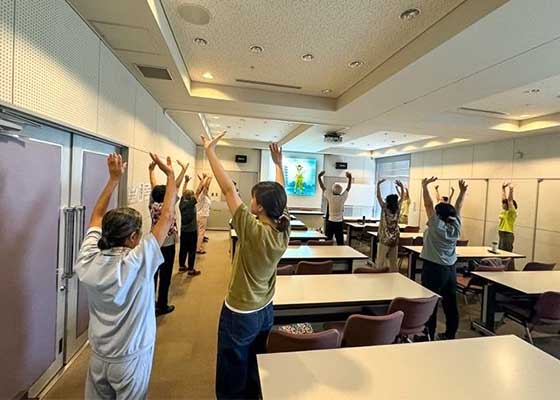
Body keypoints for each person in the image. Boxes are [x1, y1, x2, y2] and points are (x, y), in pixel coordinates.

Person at [75, 153, 177, 400]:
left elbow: (96, 216)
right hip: (131, 355)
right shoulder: (138, 262)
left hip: (99, 354)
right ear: (133, 238)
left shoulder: (88, 258)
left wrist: (112, 180)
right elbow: (167, 217)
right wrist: (172, 175)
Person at [203, 134, 290, 399]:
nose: (248, 201)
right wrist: (278, 163)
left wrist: (210, 153)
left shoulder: (252, 230)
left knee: (232, 369)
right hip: (265, 309)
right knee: (255, 361)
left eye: (252, 198)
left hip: (241, 311)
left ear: (260, 207)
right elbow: (280, 196)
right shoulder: (283, 229)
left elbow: (228, 190)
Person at [420, 176, 468, 341]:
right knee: (450, 304)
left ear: (438, 215)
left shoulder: (436, 226)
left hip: (433, 269)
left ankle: (429, 334)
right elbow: (459, 207)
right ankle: (450, 333)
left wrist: (424, 187)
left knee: (430, 303)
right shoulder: (456, 226)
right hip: (450, 270)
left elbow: (427, 204)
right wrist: (462, 192)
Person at [149, 159, 188, 316]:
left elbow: (154, 188)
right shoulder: (168, 206)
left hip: (153, 244)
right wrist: (181, 171)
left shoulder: (152, 205)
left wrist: (150, 171)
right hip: (168, 245)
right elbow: (175, 186)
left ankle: (149, 303)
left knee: (152, 275)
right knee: (165, 276)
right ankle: (162, 305)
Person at [376, 179, 405, 272]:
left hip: (385, 237)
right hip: (395, 237)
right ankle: (394, 276)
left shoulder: (384, 208)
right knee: (393, 261)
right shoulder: (398, 208)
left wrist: (378, 185)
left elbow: (378, 196)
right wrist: (402, 187)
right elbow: (403, 198)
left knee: (380, 260)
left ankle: (379, 275)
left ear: (387, 201)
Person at [318, 170, 352, 245]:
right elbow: (348, 188)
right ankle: (339, 255)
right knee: (340, 242)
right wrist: (350, 178)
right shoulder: (342, 198)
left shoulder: (330, 196)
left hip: (330, 222)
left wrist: (319, 177)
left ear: (332, 190)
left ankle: (327, 254)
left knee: (327, 242)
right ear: (340, 191)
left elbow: (322, 187)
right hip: (339, 223)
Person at [178, 175, 203, 276]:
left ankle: (182, 266)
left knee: (183, 249)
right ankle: (191, 269)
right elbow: (198, 191)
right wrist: (202, 181)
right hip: (192, 231)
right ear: (192, 197)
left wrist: (186, 182)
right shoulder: (192, 203)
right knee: (192, 250)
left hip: (183, 231)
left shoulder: (182, 203)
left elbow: (184, 192)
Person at [498, 182, 517, 252]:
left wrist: (511, 190)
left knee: (507, 254)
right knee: (501, 252)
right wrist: (503, 189)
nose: (503, 204)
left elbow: (510, 201)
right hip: (502, 233)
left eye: (504, 204)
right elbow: (504, 200)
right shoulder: (504, 212)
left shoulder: (511, 213)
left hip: (507, 234)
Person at [196, 174, 213, 254]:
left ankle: (198, 246)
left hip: (200, 215)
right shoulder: (202, 196)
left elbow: (204, 187)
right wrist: (209, 178)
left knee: (199, 232)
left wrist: (202, 179)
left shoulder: (200, 195)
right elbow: (206, 187)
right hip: (202, 216)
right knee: (201, 233)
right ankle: (198, 248)